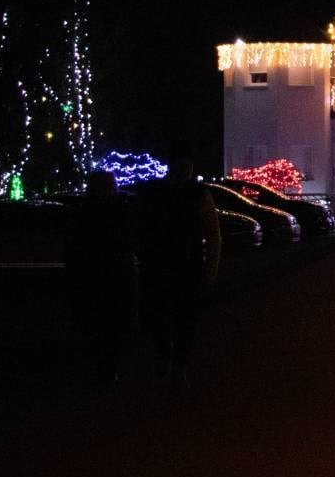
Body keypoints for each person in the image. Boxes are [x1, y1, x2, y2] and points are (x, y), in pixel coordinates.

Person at [138, 158, 221, 388]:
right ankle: (178, 365)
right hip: (185, 265)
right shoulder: (197, 194)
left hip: (162, 265)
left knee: (164, 317)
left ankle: (167, 359)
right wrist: (210, 269)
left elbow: (143, 230)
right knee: (184, 320)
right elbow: (213, 234)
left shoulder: (155, 192)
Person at [66, 170, 138, 385]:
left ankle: (101, 367)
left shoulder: (82, 212)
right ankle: (110, 368)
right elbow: (130, 240)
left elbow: (74, 246)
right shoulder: (121, 210)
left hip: (93, 274)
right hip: (115, 273)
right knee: (113, 325)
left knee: (97, 323)